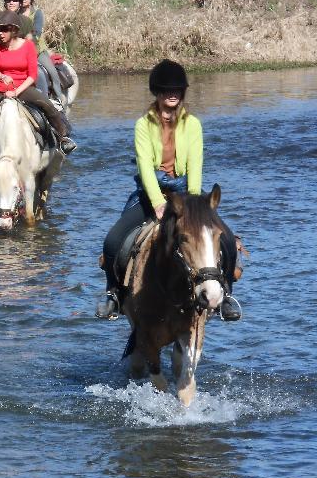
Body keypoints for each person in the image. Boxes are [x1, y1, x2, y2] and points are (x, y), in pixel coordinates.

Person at [97, 59, 243, 321]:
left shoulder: (194, 125)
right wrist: (157, 203)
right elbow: (144, 166)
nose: (172, 94)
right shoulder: (143, 125)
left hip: (188, 197)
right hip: (151, 195)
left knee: (229, 241)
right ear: (157, 92)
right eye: (166, 90)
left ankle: (227, 296)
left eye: (176, 90)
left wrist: (192, 203)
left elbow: (196, 165)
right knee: (112, 241)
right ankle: (114, 295)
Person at [0, 11, 76, 155]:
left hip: (24, 88)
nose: (0, 33)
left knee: (47, 105)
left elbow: (32, 75)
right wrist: (2, 77)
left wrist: (16, 92)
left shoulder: (28, 46)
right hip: (0, 90)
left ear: (14, 30)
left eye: (5, 29)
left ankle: (63, 138)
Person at [19, 0, 64, 99]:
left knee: (53, 73)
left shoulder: (37, 13)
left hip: (37, 51)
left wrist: (28, 40)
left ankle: (58, 100)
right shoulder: (16, 14)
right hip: (19, 51)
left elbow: (37, 32)